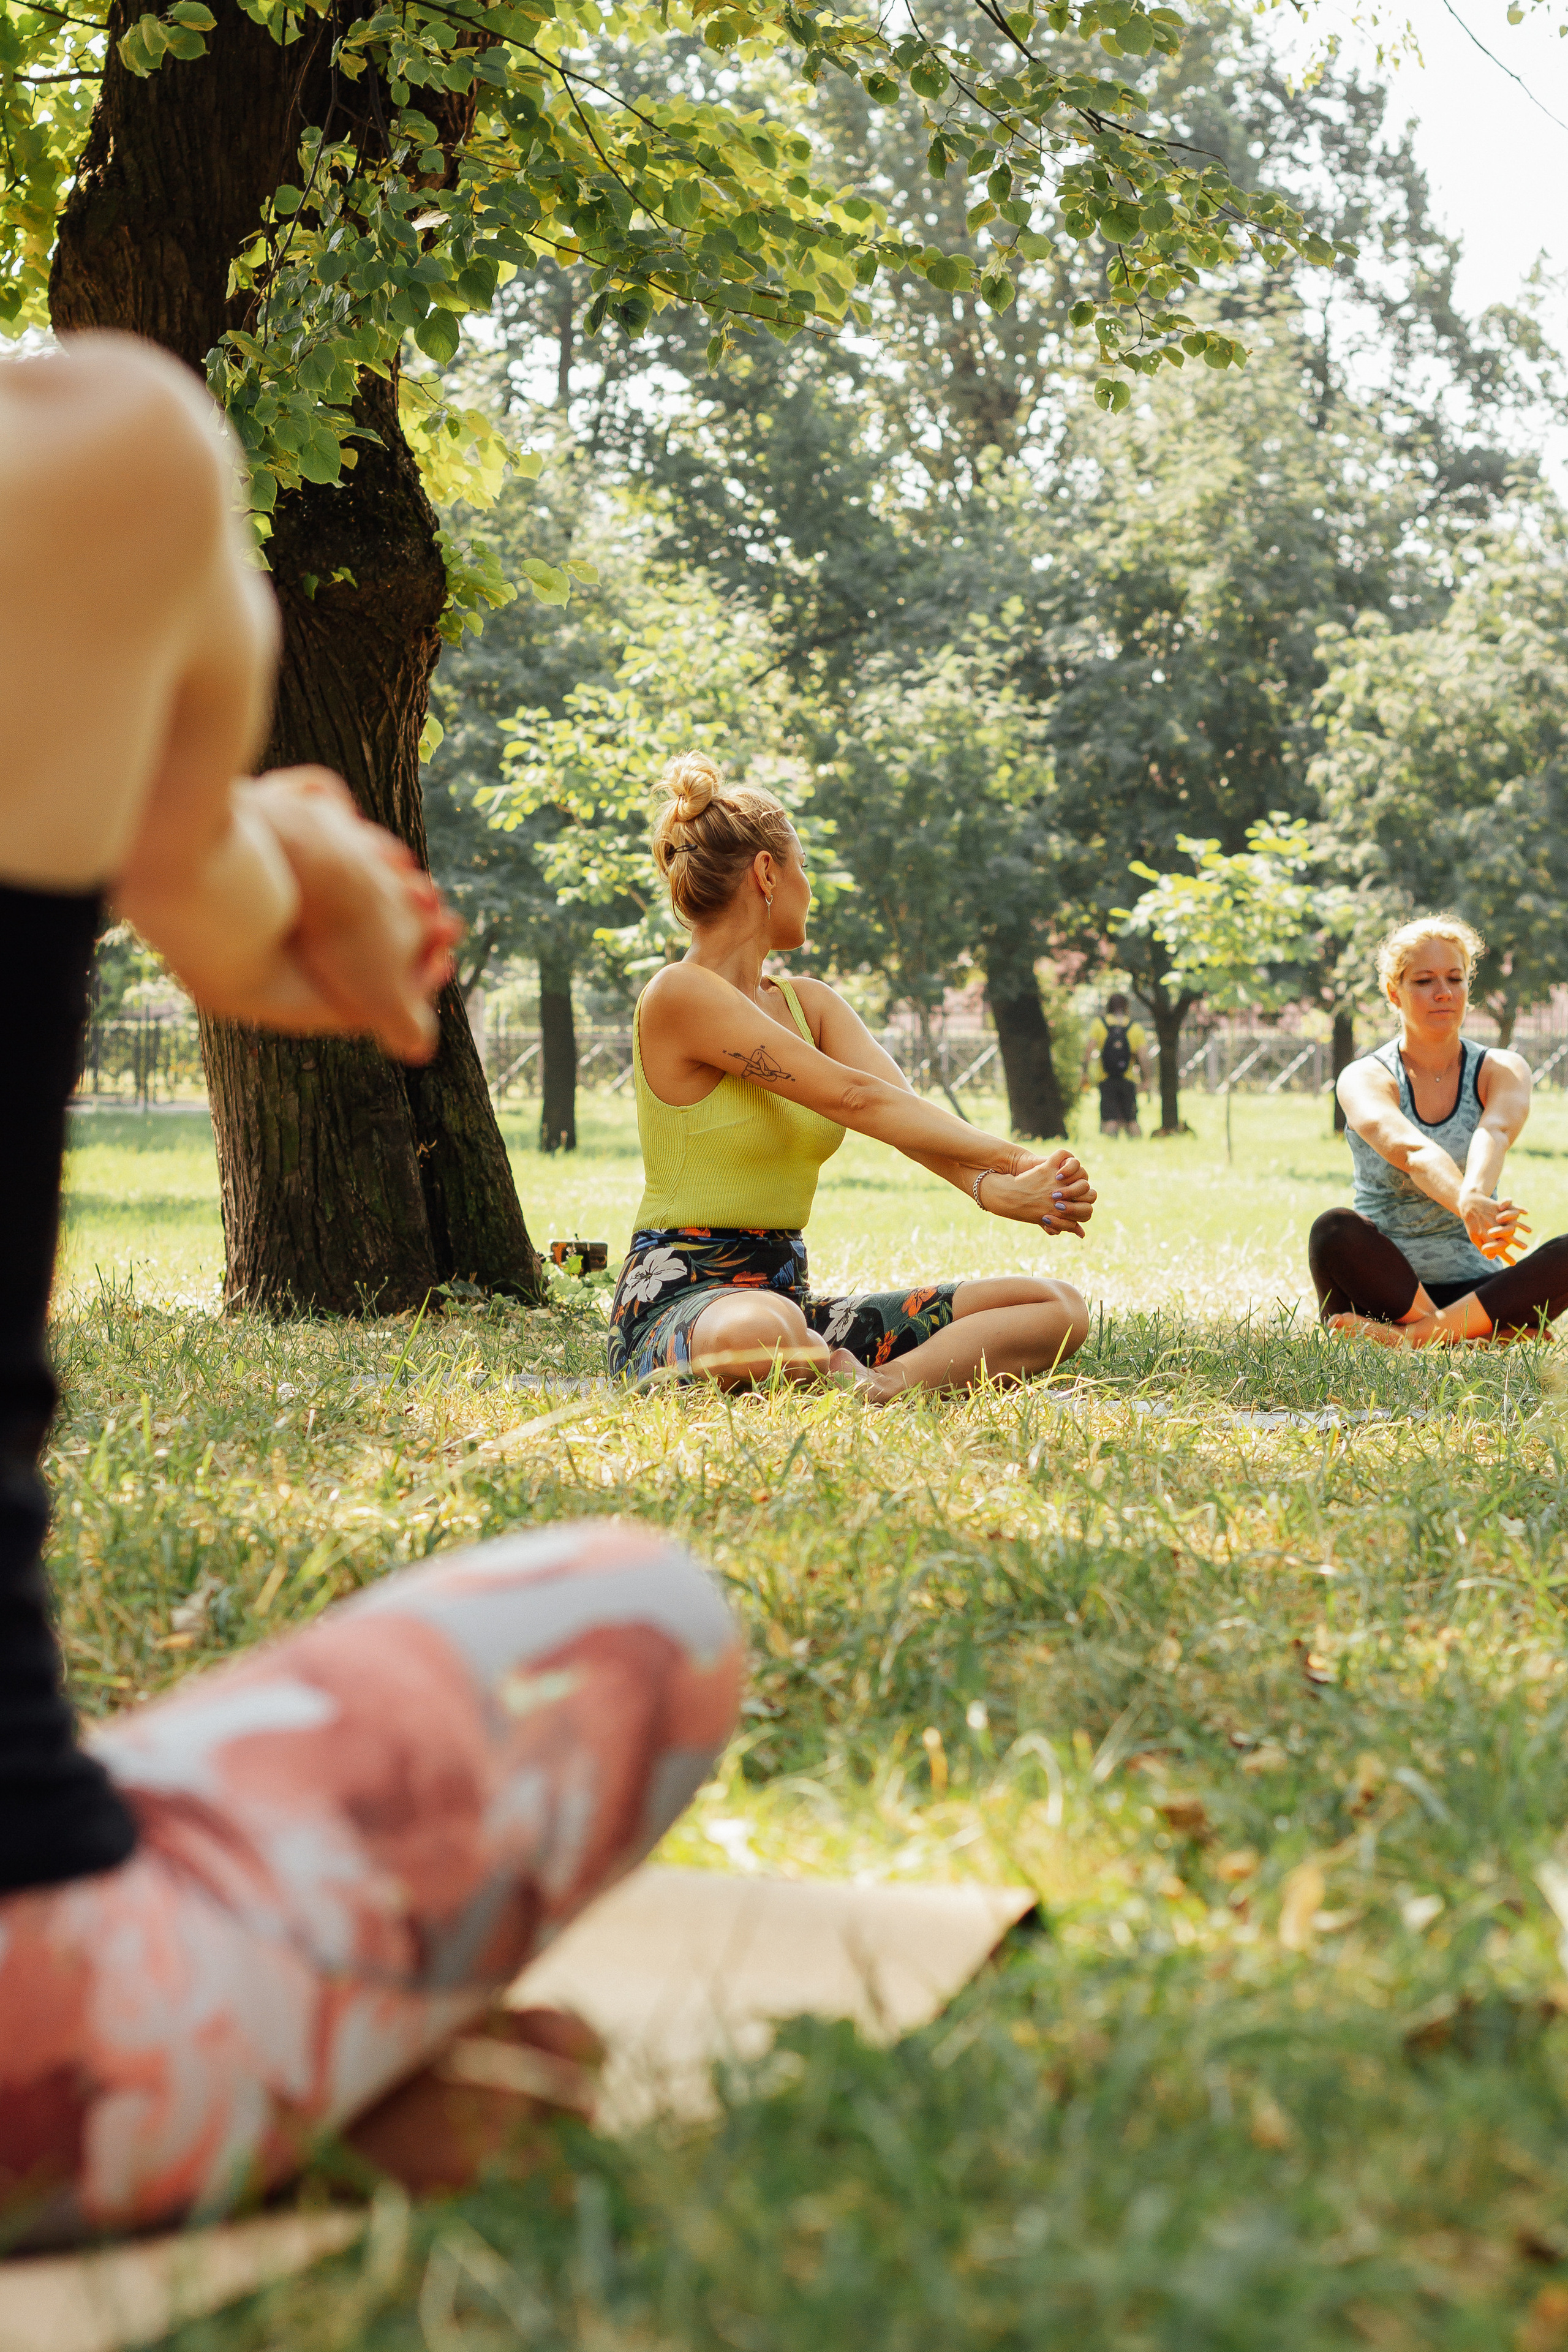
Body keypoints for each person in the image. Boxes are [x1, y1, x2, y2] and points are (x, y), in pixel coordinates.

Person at [0, 334, 741, 2242]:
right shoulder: (99, 465)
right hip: (36, 2043)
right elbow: (233, 908)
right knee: (637, 1617)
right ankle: (209, 2073)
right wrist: (276, 830)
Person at [608, 755, 1096, 1403]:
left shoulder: (809, 1004)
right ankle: (809, 1365)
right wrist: (1015, 1159)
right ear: (765, 874)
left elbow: (897, 1111)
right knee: (764, 1328)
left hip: (788, 1301)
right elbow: (853, 1099)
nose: (808, 884)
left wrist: (986, 1186)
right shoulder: (678, 993)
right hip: (684, 1299)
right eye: (802, 866)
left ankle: (871, 1387)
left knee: (1054, 1308)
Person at [1308, 914, 1568, 1345]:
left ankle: (1415, 1339)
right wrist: (1467, 1202)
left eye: (1455, 978)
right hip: (1385, 1286)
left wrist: (1476, 1195)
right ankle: (1473, 1336)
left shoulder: (1501, 1068)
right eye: (1424, 981)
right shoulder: (1364, 1077)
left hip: (1477, 1291)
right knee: (1333, 1229)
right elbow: (1412, 1152)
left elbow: (1496, 1131)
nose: (1444, 993)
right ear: (1394, 992)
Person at [1082, 993, 1152, 1137]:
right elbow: (1143, 1057)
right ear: (1126, 1007)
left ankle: (1111, 1148)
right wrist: (1147, 1080)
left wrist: (1085, 1073)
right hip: (1129, 1080)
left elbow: (1088, 1050)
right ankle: (1137, 1148)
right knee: (1131, 1119)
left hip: (1106, 1079)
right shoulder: (1135, 1027)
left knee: (1110, 1119)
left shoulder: (1099, 1024)